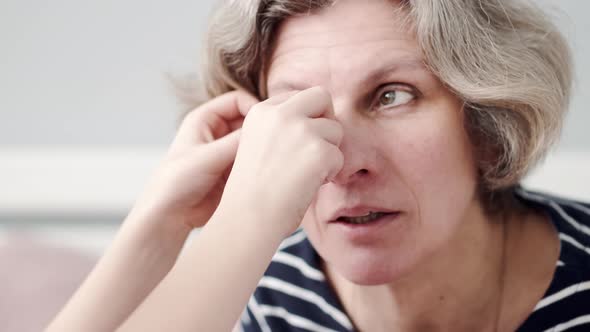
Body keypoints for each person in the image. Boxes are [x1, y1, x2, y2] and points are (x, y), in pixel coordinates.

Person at [47, 0, 590, 331]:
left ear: (484, 122)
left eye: (391, 95)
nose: (341, 162)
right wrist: (162, 220)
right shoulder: (279, 295)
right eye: (299, 110)